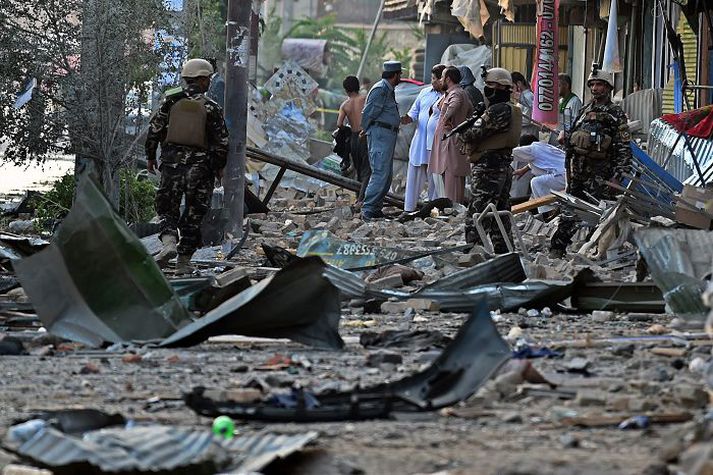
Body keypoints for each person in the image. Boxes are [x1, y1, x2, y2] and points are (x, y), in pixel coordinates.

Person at [146, 58, 229, 273]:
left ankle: (169, 243)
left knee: (166, 209)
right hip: (201, 170)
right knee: (194, 213)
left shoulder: (170, 101)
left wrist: (150, 157)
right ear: (201, 80)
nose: (209, 82)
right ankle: (184, 261)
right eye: (208, 79)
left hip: (171, 167)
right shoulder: (211, 107)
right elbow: (222, 142)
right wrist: (219, 167)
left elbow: (154, 130)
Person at [549, 64, 632, 258]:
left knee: (601, 215)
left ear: (609, 88)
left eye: (600, 84)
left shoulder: (615, 114)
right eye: (592, 84)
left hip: (600, 175)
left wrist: (618, 177)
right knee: (569, 210)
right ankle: (557, 249)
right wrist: (566, 138)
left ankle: (597, 251)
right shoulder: (585, 110)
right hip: (578, 172)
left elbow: (624, 149)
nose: (595, 88)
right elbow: (575, 137)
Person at [458, 67, 522, 253]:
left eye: (492, 85)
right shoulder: (506, 108)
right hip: (500, 165)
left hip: (489, 168)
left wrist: (462, 131)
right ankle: (504, 252)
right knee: (499, 215)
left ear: (502, 88)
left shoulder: (498, 110)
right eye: (486, 85)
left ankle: (473, 253)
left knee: (477, 214)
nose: (487, 89)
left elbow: (473, 134)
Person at [359, 61, 402, 220]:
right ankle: (368, 209)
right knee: (379, 173)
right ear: (395, 75)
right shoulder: (381, 90)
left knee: (386, 175)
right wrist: (366, 129)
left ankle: (376, 207)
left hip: (386, 136)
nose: (401, 78)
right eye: (400, 75)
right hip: (380, 136)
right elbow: (368, 113)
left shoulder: (388, 90)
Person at [400, 64, 445, 212]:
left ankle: (436, 209)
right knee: (414, 176)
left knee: (436, 178)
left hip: (437, 143)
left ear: (442, 79)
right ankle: (409, 208)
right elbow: (413, 113)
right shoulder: (424, 93)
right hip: (420, 142)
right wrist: (405, 119)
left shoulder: (448, 96)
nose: (432, 81)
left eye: (434, 79)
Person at [429, 66, 473, 204]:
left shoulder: (456, 93)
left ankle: (452, 211)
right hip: (450, 141)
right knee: (449, 179)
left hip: (450, 143)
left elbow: (456, 104)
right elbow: (470, 111)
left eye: (442, 77)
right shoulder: (457, 92)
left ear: (448, 79)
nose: (441, 80)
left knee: (451, 178)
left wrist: (447, 117)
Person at [512, 134, 566, 215]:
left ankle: (548, 212)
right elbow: (539, 160)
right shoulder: (545, 147)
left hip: (561, 177)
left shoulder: (532, 149)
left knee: (536, 182)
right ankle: (538, 211)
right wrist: (523, 170)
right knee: (538, 188)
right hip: (566, 175)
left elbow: (512, 152)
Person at [337, 75, 370, 206]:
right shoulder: (365, 99)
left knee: (358, 169)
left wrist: (348, 128)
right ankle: (361, 199)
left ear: (346, 90)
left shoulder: (345, 105)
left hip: (354, 138)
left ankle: (358, 197)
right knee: (367, 169)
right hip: (365, 135)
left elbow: (339, 124)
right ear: (358, 86)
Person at [555, 74, 582, 145]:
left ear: (566, 86)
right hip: (557, 135)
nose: (556, 89)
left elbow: (576, 123)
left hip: (567, 138)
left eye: (558, 86)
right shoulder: (560, 101)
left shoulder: (575, 101)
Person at [511, 71, 538, 136]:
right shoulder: (523, 96)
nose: (511, 90)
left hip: (528, 134)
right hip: (523, 133)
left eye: (512, 87)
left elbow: (527, 120)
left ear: (519, 83)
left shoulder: (528, 96)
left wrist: (511, 121)